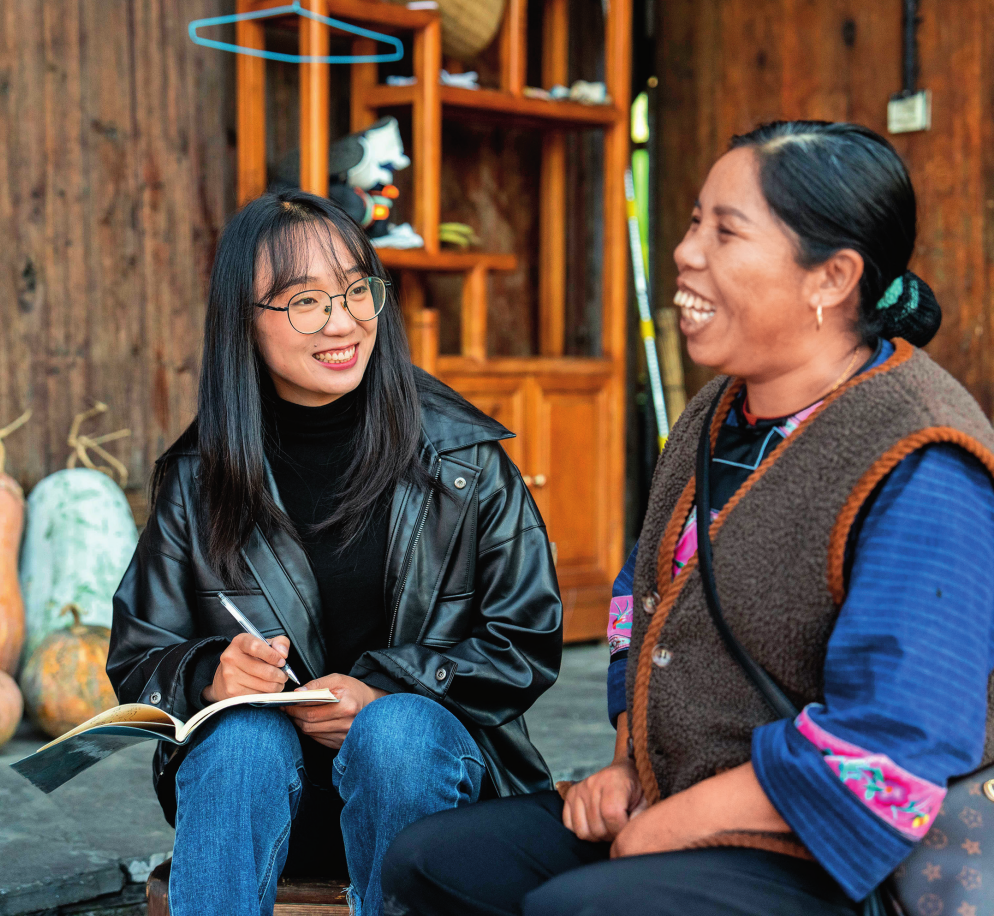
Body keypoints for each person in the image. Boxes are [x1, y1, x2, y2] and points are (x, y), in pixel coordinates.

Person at [379, 121, 994, 916]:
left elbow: (894, 744)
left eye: (726, 231)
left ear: (831, 277)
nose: (686, 251)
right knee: (431, 862)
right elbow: (647, 604)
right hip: (686, 790)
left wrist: (676, 823)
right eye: (694, 220)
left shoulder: (921, 456)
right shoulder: (715, 414)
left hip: (841, 855)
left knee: (581, 908)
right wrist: (627, 764)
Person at [105, 189, 563, 916]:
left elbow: (526, 638)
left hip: (430, 791)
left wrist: (382, 687)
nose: (343, 320)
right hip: (267, 805)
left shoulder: (462, 459)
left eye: (356, 290)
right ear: (241, 323)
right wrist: (207, 674)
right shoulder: (199, 478)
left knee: (396, 730)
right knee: (244, 736)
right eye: (304, 302)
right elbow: (139, 654)